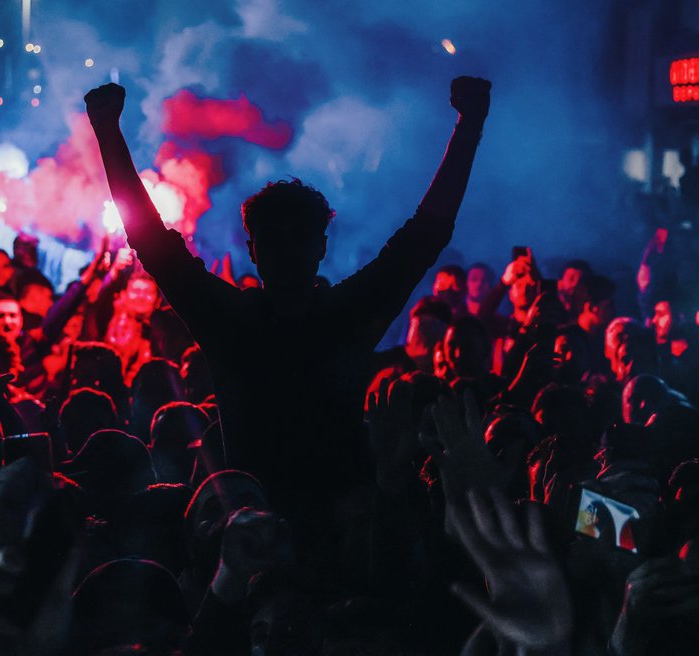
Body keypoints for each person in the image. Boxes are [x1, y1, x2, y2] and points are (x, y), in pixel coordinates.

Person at [85, 76, 492, 529]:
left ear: (320, 246)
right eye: (274, 238)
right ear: (254, 249)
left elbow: (423, 238)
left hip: (311, 532)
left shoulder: (265, 319)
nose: (287, 250)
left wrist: (108, 130)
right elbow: (153, 243)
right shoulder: (277, 318)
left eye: (298, 237)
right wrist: (107, 131)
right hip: (281, 531)